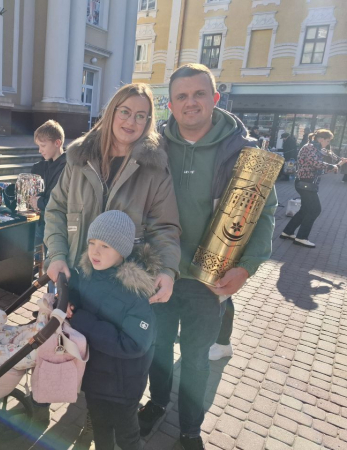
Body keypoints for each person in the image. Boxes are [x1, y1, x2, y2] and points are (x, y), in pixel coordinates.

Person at [139, 64, 277, 450]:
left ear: (215, 98)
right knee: (159, 348)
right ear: (170, 104)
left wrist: (247, 268)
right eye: (181, 96)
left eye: (199, 94)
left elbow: (264, 215)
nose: (190, 103)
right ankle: (157, 403)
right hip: (160, 271)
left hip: (208, 279)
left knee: (197, 358)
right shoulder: (154, 148)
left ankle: (190, 427)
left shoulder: (243, 152)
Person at [44, 82, 181, 446]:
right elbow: (56, 210)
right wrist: (56, 255)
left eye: (141, 116)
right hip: (75, 276)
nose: (131, 121)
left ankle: (104, 422)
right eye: (125, 111)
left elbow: (166, 227)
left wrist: (167, 270)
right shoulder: (78, 158)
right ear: (110, 112)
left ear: (149, 122)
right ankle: (91, 414)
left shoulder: (154, 167)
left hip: (119, 286)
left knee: (111, 360)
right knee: (76, 349)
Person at [67, 210, 159, 450]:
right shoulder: (88, 274)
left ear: (122, 251)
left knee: (127, 436)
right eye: (92, 243)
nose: (95, 251)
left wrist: (81, 320)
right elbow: (78, 294)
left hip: (122, 385)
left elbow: (134, 343)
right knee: (100, 427)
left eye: (105, 246)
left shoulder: (136, 291)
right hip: (95, 378)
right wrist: (71, 302)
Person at [280, 129, 346, 248]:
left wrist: (338, 161)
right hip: (306, 183)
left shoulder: (314, 147)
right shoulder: (310, 147)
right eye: (327, 140)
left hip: (306, 183)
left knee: (305, 209)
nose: (328, 143)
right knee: (315, 210)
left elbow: (327, 156)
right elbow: (316, 163)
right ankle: (301, 237)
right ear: (321, 139)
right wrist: (335, 166)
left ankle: (287, 232)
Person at [30, 120, 67, 248]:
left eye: (43, 146)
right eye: (39, 146)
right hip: (45, 222)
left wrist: (39, 202)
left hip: (57, 227)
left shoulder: (66, 168)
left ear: (57, 143)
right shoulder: (46, 165)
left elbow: (59, 201)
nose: (40, 150)